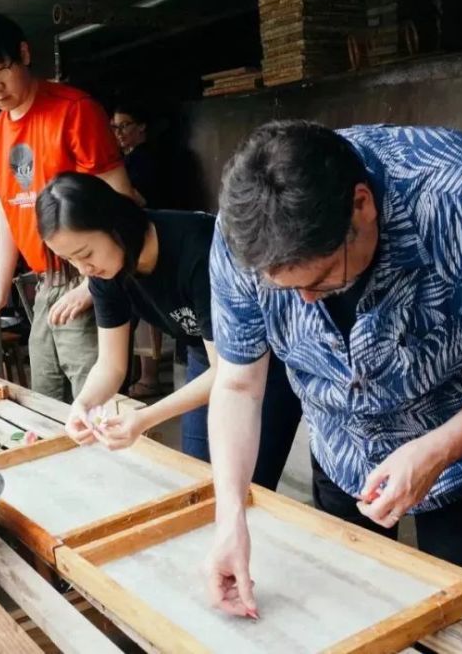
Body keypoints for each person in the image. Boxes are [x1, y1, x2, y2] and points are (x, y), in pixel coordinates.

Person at [206, 121, 462, 616]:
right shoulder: (244, 237)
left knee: (455, 615)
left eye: (320, 279)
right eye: (284, 289)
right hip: (342, 445)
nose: (305, 300)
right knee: (349, 599)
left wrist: (439, 448)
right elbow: (237, 383)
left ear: (362, 205)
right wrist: (230, 513)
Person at [37, 172, 301, 467]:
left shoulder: (199, 251)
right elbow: (111, 364)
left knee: (245, 483)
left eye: (85, 253)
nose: (83, 268)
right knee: (199, 472)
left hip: (263, 363)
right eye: (70, 259)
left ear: (113, 224)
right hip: (208, 356)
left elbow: (230, 370)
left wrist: (145, 418)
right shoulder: (104, 272)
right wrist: (84, 405)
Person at [0, 11, 133, 400]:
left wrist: (93, 284)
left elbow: (120, 198)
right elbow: (8, 212)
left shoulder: (74, 110)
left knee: (96, 397)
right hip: (42, 283)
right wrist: (0, 291)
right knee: (45, 397)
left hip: (84, 271)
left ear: (23, 53)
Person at [111, 99, 171, 398]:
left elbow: (142, 200)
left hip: (151, 238)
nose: (119, 133)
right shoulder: (130, 158)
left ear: (142, 127)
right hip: (138, 238)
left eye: (124, 126)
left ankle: (149, 376)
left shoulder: (147, 160)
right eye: (115, 127)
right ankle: (137, 372)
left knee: (148, 311)